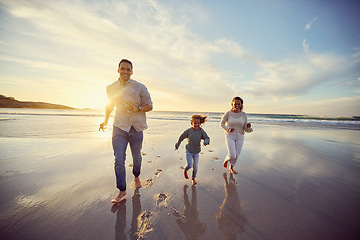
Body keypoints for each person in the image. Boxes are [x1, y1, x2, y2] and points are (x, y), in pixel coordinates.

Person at [99, 59, 153, 204]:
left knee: (137, 158)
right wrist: (105, 120)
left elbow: (150, 105)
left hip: (136, 128)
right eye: (122, 69)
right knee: (118, 159)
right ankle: (122, 190)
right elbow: (109, 106)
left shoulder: (140, 87)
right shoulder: (110, 88)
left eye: (128, 69)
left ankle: (136, 176)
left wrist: (138, 109)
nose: (125, 72)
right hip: (119, 127)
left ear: (131, 72)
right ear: (118, 70)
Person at [220, 97, 253, 174]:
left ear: (241, 104)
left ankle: (231, 167)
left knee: (237, 154)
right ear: (232, 104)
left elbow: (244, 127)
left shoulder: (244, 114)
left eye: (239, 104)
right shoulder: (228, 113)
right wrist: (228, 129)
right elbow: (221, 124)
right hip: (230, 135)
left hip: (240, 136)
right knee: (232, 155)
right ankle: (226, 159)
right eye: (235, 104)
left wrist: (247, 126)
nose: (237, 105)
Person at [175, 114, 210, 185]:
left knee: (195, 167)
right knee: (189, 165)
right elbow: (181, 137)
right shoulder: (188, 131)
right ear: (191, 123)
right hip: (189, 151)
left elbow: (206, 137)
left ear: (200, 123)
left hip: (196, 152)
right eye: (195, 123)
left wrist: (206, 142)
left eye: (198, 123)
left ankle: (193, 178)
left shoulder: (201, 131)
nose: (196, 125)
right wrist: (177, 145)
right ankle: (185, 170)